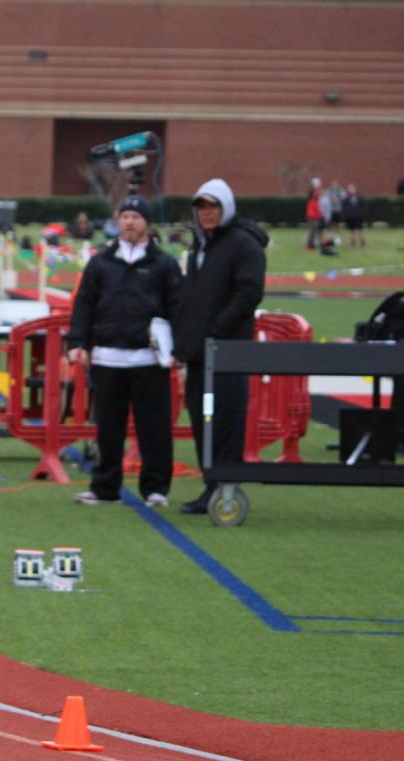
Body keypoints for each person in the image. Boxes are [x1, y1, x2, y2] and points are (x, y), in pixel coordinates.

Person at [66, 194, 181, 507]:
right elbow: (84, 305)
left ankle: (156, 489)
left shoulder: (164, 264)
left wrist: (180, 350)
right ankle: (105, 488)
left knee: (154, 429)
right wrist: (77, 343)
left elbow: (178, 308)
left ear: (147, 223)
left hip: (149, 359)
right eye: (125, 216)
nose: (130, 222)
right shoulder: (100, 261)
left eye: (136, 217)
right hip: (107, 358)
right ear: (118, 222)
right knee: (108, 430)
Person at [172, 179, 268, 515]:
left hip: (227, 355)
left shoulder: (244, 245)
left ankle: (226, 486)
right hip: (201, 356)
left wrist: (216, 330)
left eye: (213, 207)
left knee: (225, 419)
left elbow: (249, 293)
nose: (207, 214)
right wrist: (183, 345)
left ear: (226, 207)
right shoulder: (201, 247)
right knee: (202, 418)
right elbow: (191, 300)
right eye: (201, 208)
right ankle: (211, 486)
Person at [344, 183, 367, 247]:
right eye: (349, 189)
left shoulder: (360, 197)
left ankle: (362, 243)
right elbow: (345, 208)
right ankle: (352, 243)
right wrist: (346, 215)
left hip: (359, 216)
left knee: (360, 230)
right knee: (352, 231)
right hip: (350, 217)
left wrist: (362, 214)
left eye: (352, 188)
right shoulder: (346, 198)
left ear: (355, 189)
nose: (350, 190)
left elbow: (363, 206)